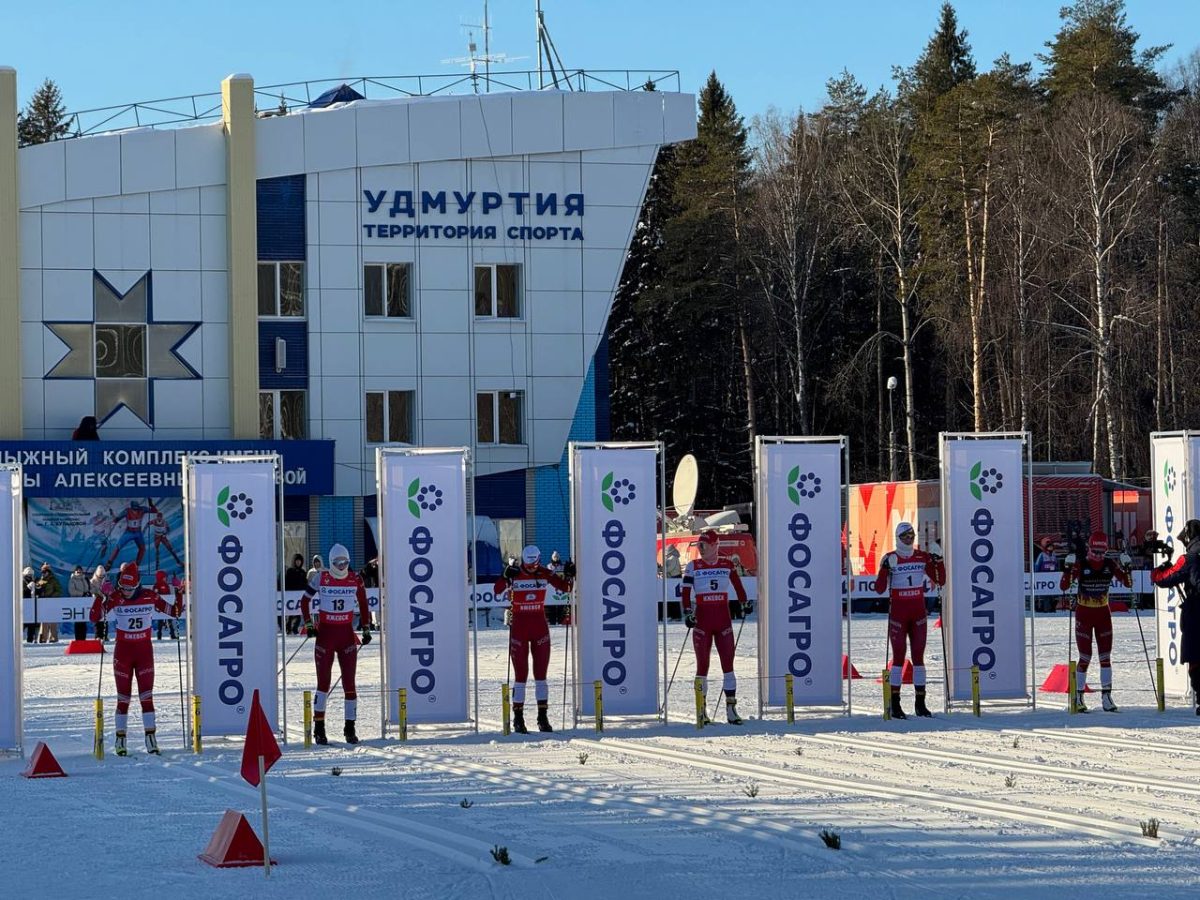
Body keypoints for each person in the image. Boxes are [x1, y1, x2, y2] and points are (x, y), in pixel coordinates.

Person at [89, 564, 181, 755]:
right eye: (122, 587)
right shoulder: (116, 597)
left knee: (146, 697)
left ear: (137, 585)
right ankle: (120, 739)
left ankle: (150, 738)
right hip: (123, 653)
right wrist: (100, 596)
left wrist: (178, 591)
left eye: (129, 589)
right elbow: (94, 617)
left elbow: (175, 612)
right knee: (123, 698)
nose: (126, 592)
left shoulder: (150, 595)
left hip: (144, 652)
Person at [494, 545, 574, 734]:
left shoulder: (544, 572)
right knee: (520, 676)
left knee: (541, 676)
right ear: (523, 560)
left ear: (538, 560)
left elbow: (566, 588)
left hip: (539, 628)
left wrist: (570, 574)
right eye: (528, 564)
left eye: (534, 564)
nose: (531, 568)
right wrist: (505, 575)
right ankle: (518, 719)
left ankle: (542, 718)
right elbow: (497, 590)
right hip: (519, 628)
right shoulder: (514, 573)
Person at [872, 521, 945, 719]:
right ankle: (895, 704)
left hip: (918, 612)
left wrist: (938, 561)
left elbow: (940, 580)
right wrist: (884, 569)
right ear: (898, 537)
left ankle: (920, 703)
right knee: (898, 658)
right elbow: (879, 588)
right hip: (898, 614)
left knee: (919, 658)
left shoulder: (922, 556)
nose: (909, 539)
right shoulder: (890, 557)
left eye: (911, 535)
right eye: (905, 536)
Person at [301, 543, 371, 745]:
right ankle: (319, 728)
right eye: (337, 562)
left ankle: (350, 728)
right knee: (323, 684)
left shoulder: (355, 578)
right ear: (330, 562)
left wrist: (365, 628)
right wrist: (309, 623)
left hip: (346, 636)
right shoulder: (321, 577)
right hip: (326, 636)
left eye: (345, 562)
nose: (342, 566)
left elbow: (364, 604)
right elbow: (304, 601)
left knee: (350, 684)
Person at [681, 530, 748, 725]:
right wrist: (687, 612)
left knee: (728, 665)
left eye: (705, 545)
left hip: (723, 620)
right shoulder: (693, 566)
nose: (701, 549)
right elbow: (685, 592)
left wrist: (745, 603)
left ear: (715, 545)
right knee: (703, 666)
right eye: (699, 545)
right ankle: (701, 710)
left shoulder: (727, 564)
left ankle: (731, 709)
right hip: (702, 621)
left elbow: (739, 587)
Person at [1060, 531, 1131, 712]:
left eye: (1102, 551)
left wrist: (1127, 567)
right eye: (1095, 551)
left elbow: (1128, 583)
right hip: (1084, 614)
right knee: (1085, 656)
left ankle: (1106, 697)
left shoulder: (1109, 563)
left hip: (1102, 614)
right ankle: (1078, 697)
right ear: (1089, 549)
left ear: (1106, 550)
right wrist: (1067, 568)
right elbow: (1064, 586)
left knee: (1105, 657)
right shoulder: (1082, 563)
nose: (1098, 555)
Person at [1150, 520, 1200, 714]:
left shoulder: (1188, 558)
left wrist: (1159, 569)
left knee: (1195, 655)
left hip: (1196, 612)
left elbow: (1164, 579)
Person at [104, 500, 150, 570]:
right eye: (134, 509)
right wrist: (113, 518)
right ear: (131, 508)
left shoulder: (142, 509)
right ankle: (109, 563)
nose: (135, 511)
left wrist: (151, 504)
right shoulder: (127, 511)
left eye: (136, 509)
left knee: (142, 548)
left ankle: (137, 565)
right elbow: (117, 519)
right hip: (129, 533)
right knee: (118, 547)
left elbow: (154, 510)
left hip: (138, 533)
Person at [148, 503, 182, 569]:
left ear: (162, 517)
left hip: (162, 536)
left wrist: (165, 533)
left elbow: (168, 529)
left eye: (160, 517)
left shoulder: (164, 522)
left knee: (170, 548)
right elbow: (148, 523)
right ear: (157, 517)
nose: (159, 518)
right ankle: (157, 566)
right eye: (158, 517)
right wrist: (144, 530)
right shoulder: (154, 521)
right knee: (157, 550)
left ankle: (178, 561)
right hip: (157, 536)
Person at [36, 563, 62, 643]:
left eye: (45, 572)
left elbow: (59, 590)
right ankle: (43, 638)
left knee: (53, 620)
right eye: (42, 572)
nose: (43, 573)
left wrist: (52, 597)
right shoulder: (41, 581)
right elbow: (38, 591)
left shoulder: (53, 580)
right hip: (43, 603)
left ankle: (53, 638)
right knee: (44, 621)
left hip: (52, 602)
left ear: (48, 572)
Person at [284, 553, 308, 634]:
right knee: (290, 614)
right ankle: (288, 628)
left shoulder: (303, 572)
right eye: (297, 561)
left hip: (299, 595)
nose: (298, 562)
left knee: (298, 614)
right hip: (291, 595)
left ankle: (295, 628)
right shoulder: (290, 571)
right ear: (294, 561)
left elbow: (305, 583)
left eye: (300, 561)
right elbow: (286, 582)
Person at [153, 570, 179, 640]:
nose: (166, 578)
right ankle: (159, 635)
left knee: (169, 619)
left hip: (167, 605)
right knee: (160, 621)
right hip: (161, 605)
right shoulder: (157, 585)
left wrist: (170, 600)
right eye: (164, 577)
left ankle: (172, 634)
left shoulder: (166, 585)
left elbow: (169, 594)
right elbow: (155, 594)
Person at [68, 564, 91, 640]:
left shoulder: (84, 579)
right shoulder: (72, 580)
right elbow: (72, 591)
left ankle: (83, 637)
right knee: (78, 620)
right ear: (74, 572)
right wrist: (82, 593)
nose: (79, 573)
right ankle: (78, 638)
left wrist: (87, 593)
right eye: (77, 571)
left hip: (84, 601)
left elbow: (87, 589)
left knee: (83, 620)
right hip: (76, 601)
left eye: (80, 571)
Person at [90, 565, 110, 642]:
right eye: (100, 576)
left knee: (105, 619)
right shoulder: (92, 581)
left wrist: (107, 594)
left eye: (103, 576)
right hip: (96, 601)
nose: (101, 578)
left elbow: (109, 590)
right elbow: (92, 590)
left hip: (105, 602)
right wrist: (100, 593)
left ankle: (105, 636)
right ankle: (98, 636)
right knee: (97, 620)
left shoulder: (106, 581)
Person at [22, 567, 36, 643]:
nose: (29, 576)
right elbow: (20, 592)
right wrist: (28, 588)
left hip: (32, 605)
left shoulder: (34, 581)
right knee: (23, 623)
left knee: (31, 623)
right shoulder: (21, 582)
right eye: (28, 574)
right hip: (23, 604)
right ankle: (17, 639)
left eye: (31, 575)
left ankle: (30, 639)